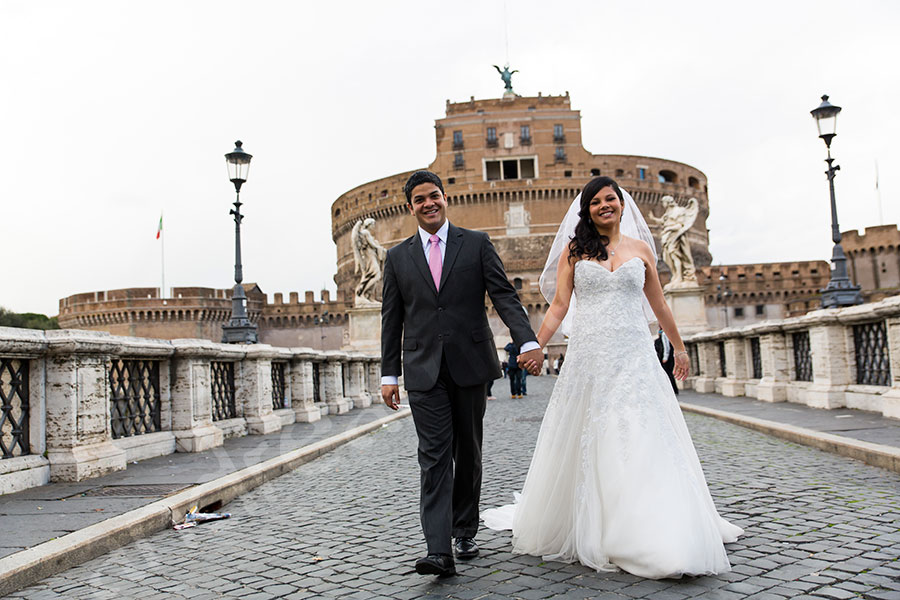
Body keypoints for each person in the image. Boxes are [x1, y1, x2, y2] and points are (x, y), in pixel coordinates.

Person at [485, 176, 742, 579]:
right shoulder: (575, 252)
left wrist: (680, 346)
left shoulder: (641, 250)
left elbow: (658, 304)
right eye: (596, 202)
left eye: (611, 199)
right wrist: (533, 345)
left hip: (635, 357)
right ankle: (604, 523)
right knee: (594, 433)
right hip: (590, 358)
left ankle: (651, 526)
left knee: (642, 434)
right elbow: (557, 307)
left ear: (622, 205)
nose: (605, 206)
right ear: (586, 211)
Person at [381, 170, 542, 577]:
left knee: (467, 452)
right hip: (423, 370)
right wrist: (388, 374)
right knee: (433, 458)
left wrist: (526, 340)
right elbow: (391, 319)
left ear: (445, 198)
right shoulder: (398, 257)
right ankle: (438, 551)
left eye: (434, 196)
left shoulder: (476, 243)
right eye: (419, 199)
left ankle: (465, 527)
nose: (428, 204)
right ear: (410, 207)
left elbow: (503, 294)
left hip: (470, 364)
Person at [655, 328, 679, 394]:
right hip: (670, 356)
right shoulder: (666, 333)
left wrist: (665, 357)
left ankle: (673, 389)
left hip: (667, 358)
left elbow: (666, 346)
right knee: (669, 373)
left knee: (668, 374)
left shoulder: (664, 334)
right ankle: (674, 389)